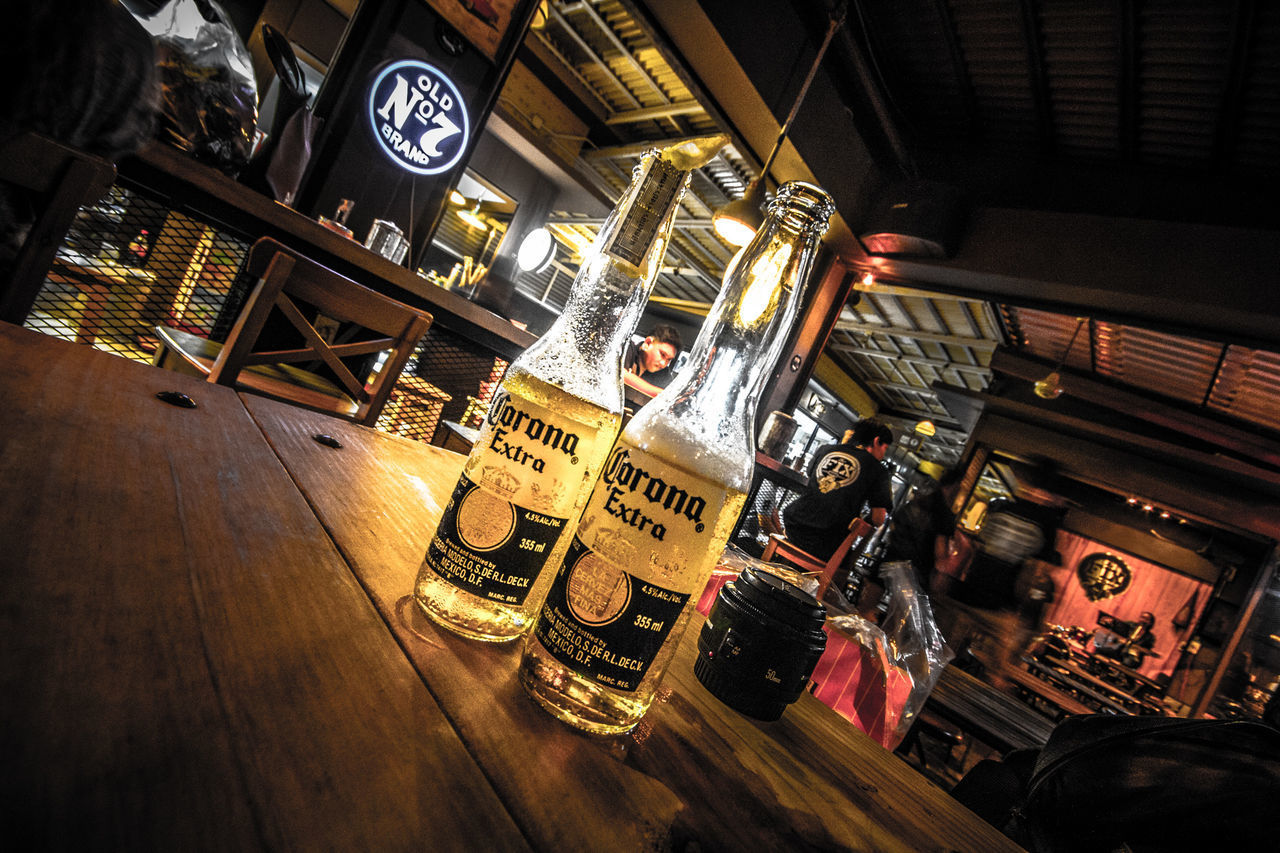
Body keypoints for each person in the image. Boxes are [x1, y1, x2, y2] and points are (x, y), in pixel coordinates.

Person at [781, 418, 894, 562]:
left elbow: (812, 476)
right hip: (827, 543)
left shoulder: (825, 450)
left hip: (794, 527)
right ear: (877, 441)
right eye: (885, 448)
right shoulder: (878, 470)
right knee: (846, 560)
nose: (883, 454)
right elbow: (879, 519)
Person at [622, 323, 682, 396]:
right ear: (648, 343)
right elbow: (621, 374)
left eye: (668, 359)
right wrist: (662, 394)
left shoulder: (664, 375)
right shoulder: (626, 348)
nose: (663, 364)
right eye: (662, 354)